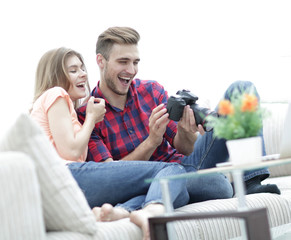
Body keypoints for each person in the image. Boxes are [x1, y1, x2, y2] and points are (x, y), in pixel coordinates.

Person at [77, 26, 280, 204]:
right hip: (160, 181)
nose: (131, 70)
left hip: (186, 166)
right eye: (123, 62)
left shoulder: (151, 91)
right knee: (218, 185)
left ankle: (251, 182)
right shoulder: (88, 116)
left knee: (242, 89)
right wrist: (151, 142)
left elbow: (186, 148)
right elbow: (111, 177)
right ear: (100, 61)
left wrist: (185, 131)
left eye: (135, 62)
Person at [30, 47, 190, 240]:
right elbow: (70, 151)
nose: (82, 74)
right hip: (69, 176)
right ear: (55, 75)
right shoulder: (55, 94)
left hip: (73, 188)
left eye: (82, 68)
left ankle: (124, 211)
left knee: (175, 193)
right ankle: (149, 214)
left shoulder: (68, 107)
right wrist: (91, 119)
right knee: (173, 172)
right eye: (73, 70)